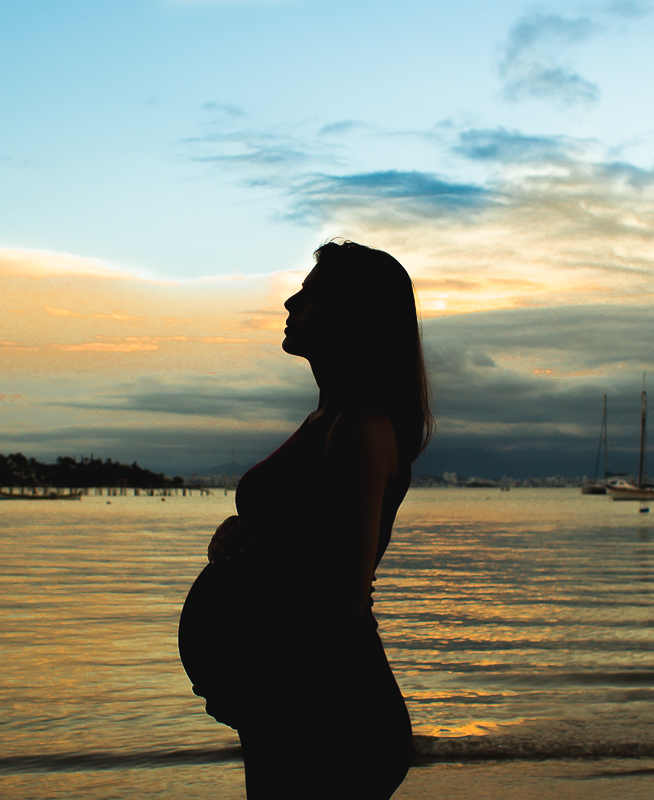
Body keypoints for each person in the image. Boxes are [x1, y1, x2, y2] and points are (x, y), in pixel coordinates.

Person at [178, 240, 433, 799]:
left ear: (353, 314)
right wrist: (244, 531)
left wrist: (258, 682)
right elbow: (308, 540)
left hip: (328, 712)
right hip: (293, 704)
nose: (291, 302)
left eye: (311, 293)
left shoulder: (361, 427)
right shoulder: (327, 419)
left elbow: (339, 598)